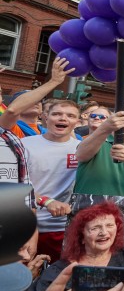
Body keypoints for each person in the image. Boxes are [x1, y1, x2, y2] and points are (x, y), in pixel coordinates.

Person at [24, 99, 81, 262]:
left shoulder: (82, 149)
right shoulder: (24, 145)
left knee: (57, 281)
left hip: (63, 228)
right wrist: (46, 201)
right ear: (45, 117)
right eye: (57, 114)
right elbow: (13, 186)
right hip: (25, 225)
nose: (63, 118)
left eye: (70, 115)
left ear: (77, 122)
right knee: (22, 281)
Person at [73, 102, 124, 198]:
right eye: (122, 113)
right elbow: (80, 156)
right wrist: (105, 127)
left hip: (123, 211)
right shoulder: (97, 140)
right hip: (87, 208)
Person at [1, 57, 73, 139]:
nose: (36, 102)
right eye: (30, 101)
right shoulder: (8, 127)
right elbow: (12, 111)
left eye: (39, 100)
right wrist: (54, 81)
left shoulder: (48, 133)